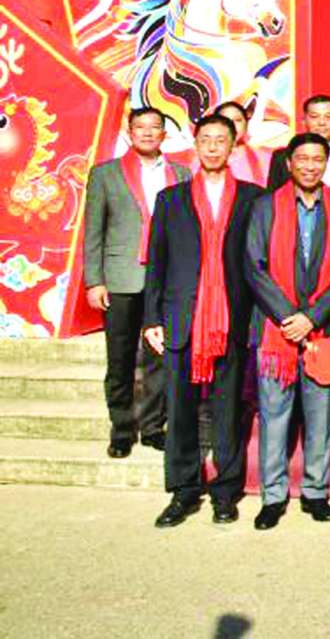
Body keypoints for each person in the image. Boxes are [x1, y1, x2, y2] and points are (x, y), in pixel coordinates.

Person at [141, 114, 263, 527]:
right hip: (182, 316)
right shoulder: (170, 199)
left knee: (228, 410)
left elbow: (258, 264)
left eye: (220, 140)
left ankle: (225, 493)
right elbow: (157, 262)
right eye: (205, 139)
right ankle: (184, 491)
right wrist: (152, 318)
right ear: (195, 145)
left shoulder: (252, 198)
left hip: (231, 317)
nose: (212, 147)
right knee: (180, 409)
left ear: (233, 146)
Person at [245, 132, 330, 530]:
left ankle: (315, 491)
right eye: (303, 159)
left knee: (319, 416)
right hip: (275, 330)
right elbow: (254, 266)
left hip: (323, 329)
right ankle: (273, 496)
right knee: (274, 416)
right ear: (289, 163)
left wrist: (312, 317)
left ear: (326, 163)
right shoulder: (264, 207)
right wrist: (289, 316)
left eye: (317, 159)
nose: (310, 166)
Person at [82, 106, 188, 458]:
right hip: (120, 279)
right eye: (140, 127)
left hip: (166, 281)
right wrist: (94, 281)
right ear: (129, 133)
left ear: (164, 134)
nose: (147, 132)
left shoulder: (181, 174)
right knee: (120, 359)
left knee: (160, 358)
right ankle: (122, 429)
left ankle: (154, 427)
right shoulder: (105, 174)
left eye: (154, 127)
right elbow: (93, 231)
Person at [266, 94, 330, 197]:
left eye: (328, 117)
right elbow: (272, 198)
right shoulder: (282, 157)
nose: (322, 122)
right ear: (304, 121)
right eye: (314, 117)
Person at [214, 100, 269, 184]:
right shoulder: (197, 158)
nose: (232, 125)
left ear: (246, 124)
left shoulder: (266, 157)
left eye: (237, 120)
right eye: (225, 120)